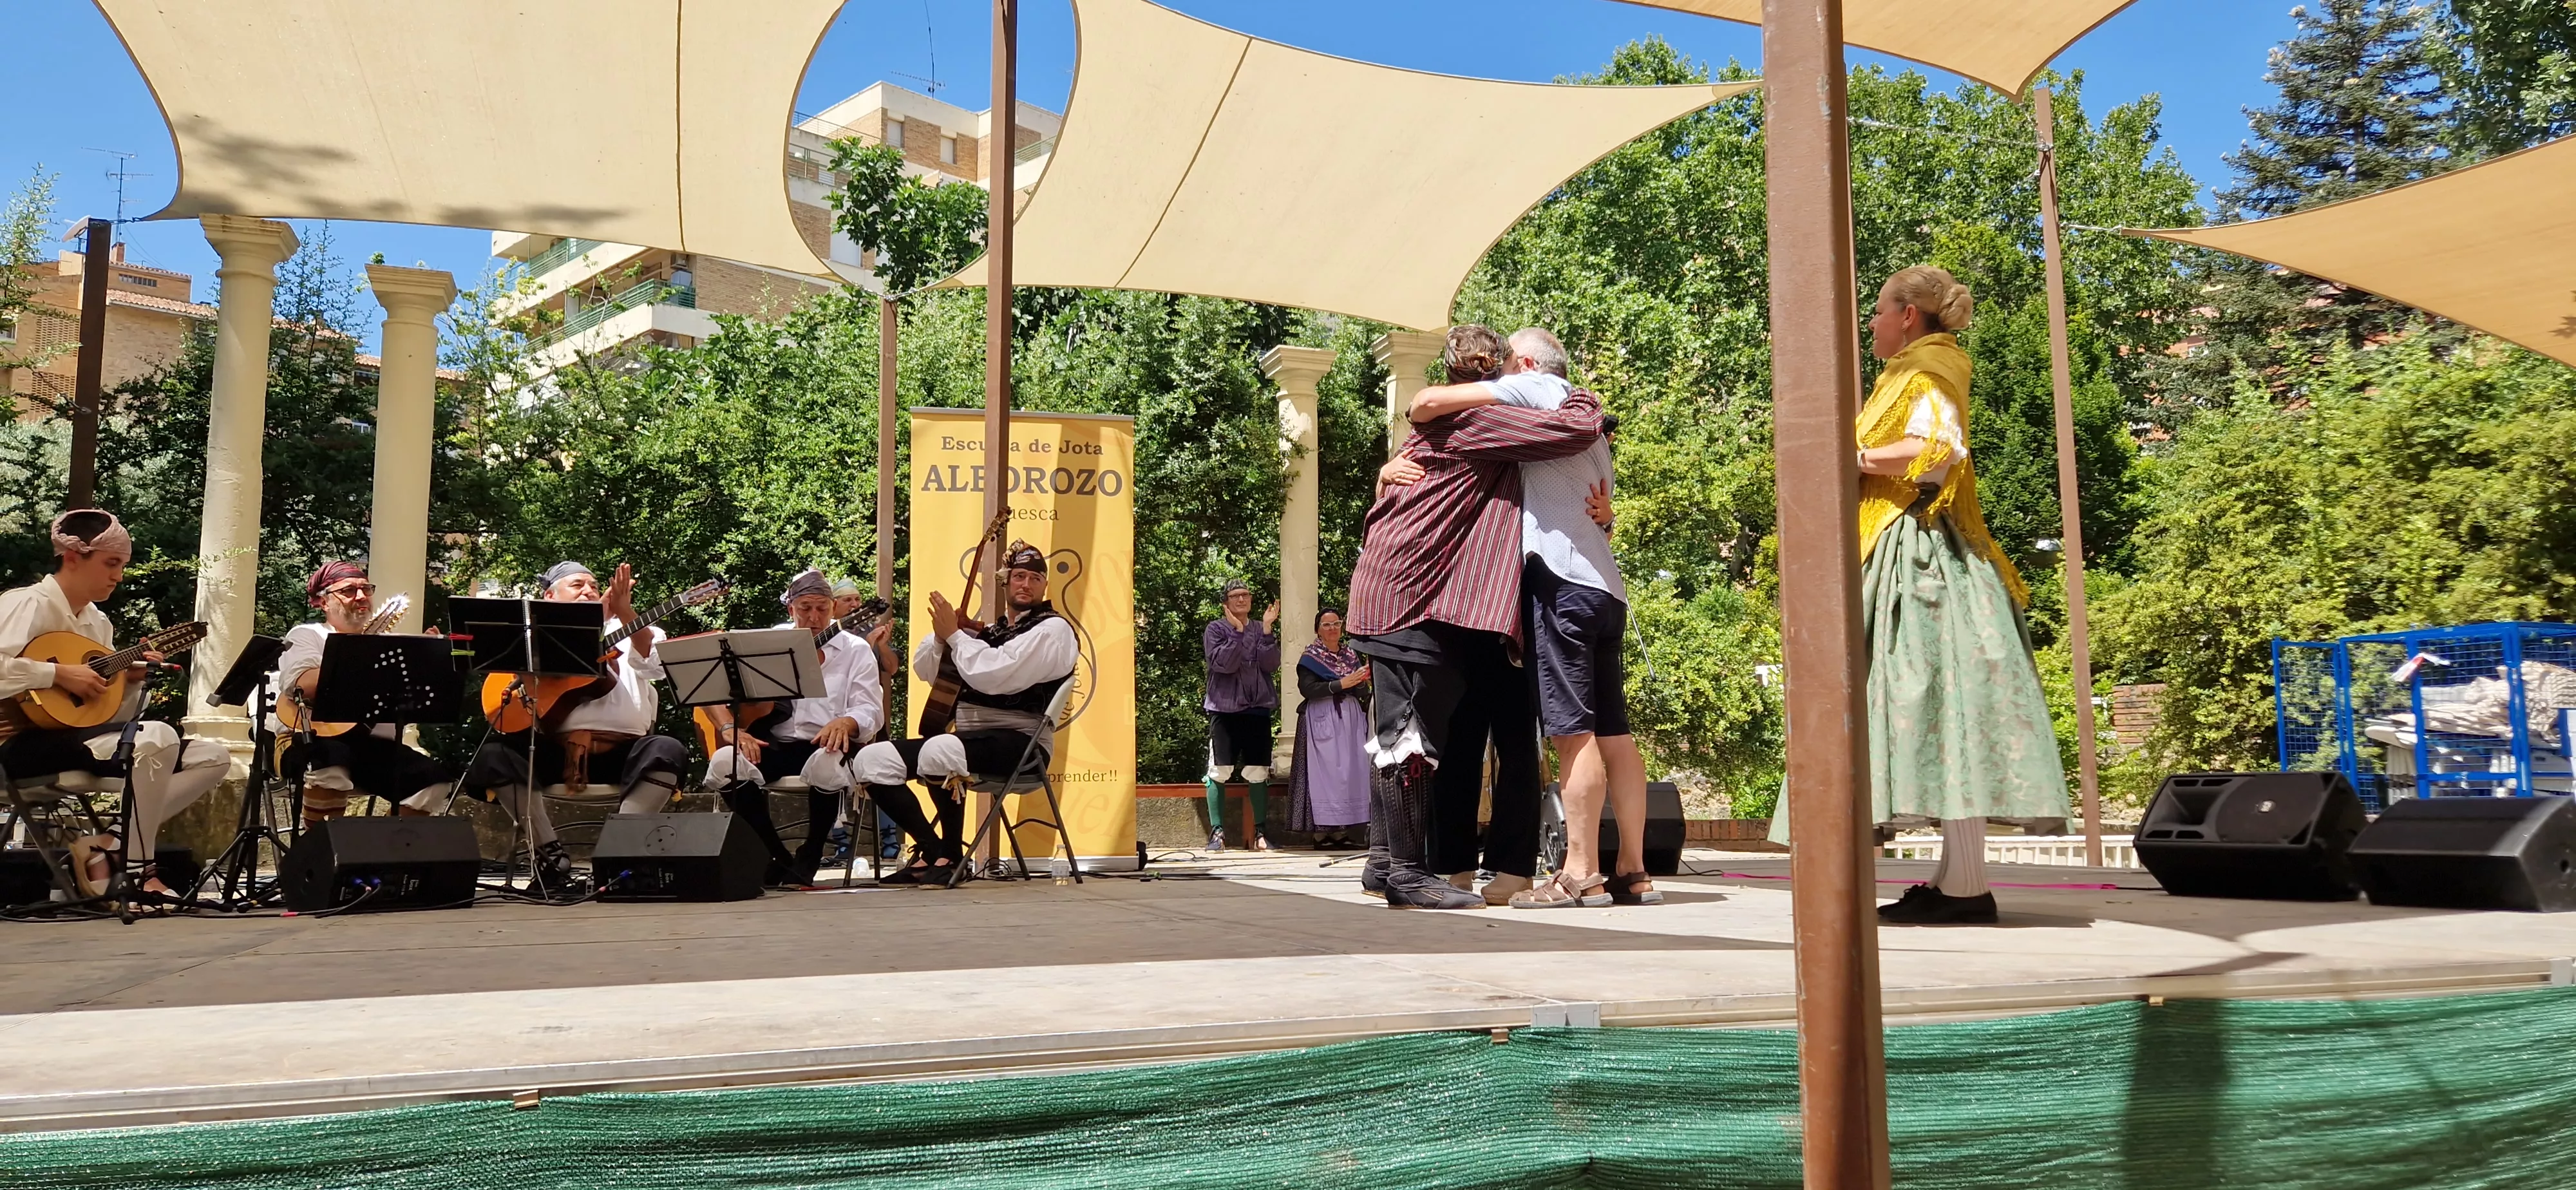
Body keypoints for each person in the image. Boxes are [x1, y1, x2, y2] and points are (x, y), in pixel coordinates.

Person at [1345, 325, 1605, 909]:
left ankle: (1385, 864)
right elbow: (1576, 427)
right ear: (1499, 369)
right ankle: (1408, 874)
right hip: (1413, 593)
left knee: (1399, 730)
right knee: (1407, 733)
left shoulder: (1448, 424)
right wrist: (1579, 394)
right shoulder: (1484, 421)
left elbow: (1424, 410)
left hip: (1409, 590)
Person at [1844, 265, 2071, 925]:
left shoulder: (1932, 364)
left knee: (1946, 708)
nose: (1872, 322)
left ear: (1908, 315)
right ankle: (1958, 883)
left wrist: (1849, 457)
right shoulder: (1910, 369)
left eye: (1880, 311)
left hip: (1921, 555)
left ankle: (1967, 889)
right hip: (1910, 547)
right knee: (1949, 714)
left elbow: (1939, 452)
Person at [1405, 327, 1659, 908]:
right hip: (1605, 589)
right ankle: (1634, 872)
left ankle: (1580, 872)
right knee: (1615, 733)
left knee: (1574, 733)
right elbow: (1593, 506)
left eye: (1503, 368)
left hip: (1561, 584)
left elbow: (1427, 405)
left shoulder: (1536, 388)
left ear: (1523, 363)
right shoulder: (1588, 422)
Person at [0, 511, 228, 906]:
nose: (118, 576)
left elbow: (107, 716)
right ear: (73, 558)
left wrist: (128, 683)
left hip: (74, 739)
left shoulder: (98, 625)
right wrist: (55, 674)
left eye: (121, 566)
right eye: (111, 564)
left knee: (212, 756)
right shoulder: (26, 604)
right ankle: (138, 874)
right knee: (157, 735)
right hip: (17, 743)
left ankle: (107, 845)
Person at [855, 542, 1078, 885]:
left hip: (1021, 745)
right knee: (871, 759)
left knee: (940, 748)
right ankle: (934, 851)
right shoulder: (987, 632)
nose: (1026, 584)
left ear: (1045, 586)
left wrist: (956, 636)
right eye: (1019, 576)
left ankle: (951, 857)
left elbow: (996, 674)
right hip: (969, 743)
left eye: (1035, 578)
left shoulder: (1053, 630)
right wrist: (943, 639)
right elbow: (927, 671)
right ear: (1006, 582)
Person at [460, 560, 691, 891]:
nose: (589, 591)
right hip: (554, 752)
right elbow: (499, 674)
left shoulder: (637, 630)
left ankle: (619, 854)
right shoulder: (531, 638)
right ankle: (549, 856)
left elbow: (654, 665)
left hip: (624, 756)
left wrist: (626, 613)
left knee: (667, 749)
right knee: (494, 755)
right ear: (550, 597)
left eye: (594, 586)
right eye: (578, 585)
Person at [698, 569, 887, 886]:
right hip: (776, 743)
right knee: (724, 764)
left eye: (822, 609)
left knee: (828, 762)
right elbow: (709, 686)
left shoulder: (856, 650)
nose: (814, 617)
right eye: (805, 609)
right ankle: (776, 855)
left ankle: (811, 854)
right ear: (791, 609)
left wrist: (847, 721)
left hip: (827, 744)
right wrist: (731, 727)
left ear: (833, 609)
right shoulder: (768, 644)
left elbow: (871, 709)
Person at [272, 560, 455, 828]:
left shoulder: (391, 649)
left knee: (435, 780)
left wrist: (424, 659)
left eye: (366, 590)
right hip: (306, 738)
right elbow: (301, 684)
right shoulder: (307, 635)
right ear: (323, 602)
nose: (361, 597)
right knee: (331, 762)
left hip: (369, 745)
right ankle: (319, 851)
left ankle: (380, 854)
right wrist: (364, 659)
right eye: (348, 591)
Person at [1201, 578, 1280, 851]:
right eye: (1235, 596)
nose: (1241, 599)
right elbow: (1222, 664)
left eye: (1245, 594)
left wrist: (1268, 629)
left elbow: (1271, 664)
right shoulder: (1216, 629)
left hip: (1257, 708)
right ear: (1226, 602)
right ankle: (1217, 833)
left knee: (1258, 770)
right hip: (1225, 709)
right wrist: (1236, 633)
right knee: (1220, 770)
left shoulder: (1260, 628)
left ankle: (1260, 834)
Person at [1284, 609, 1370, 849]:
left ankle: (1342, 831)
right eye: (1326, 624)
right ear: (1318, 629)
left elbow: (1361, 690)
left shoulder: (1351, 655)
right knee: (1325, 773)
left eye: (1336, 623)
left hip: (1350, 718)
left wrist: (1361, 683)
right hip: (1323, 716)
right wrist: (1340, 684)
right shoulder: (1310, 658)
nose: (1332, 628)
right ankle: (1322, 834)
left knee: (1350, 772)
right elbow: (1308, 689)